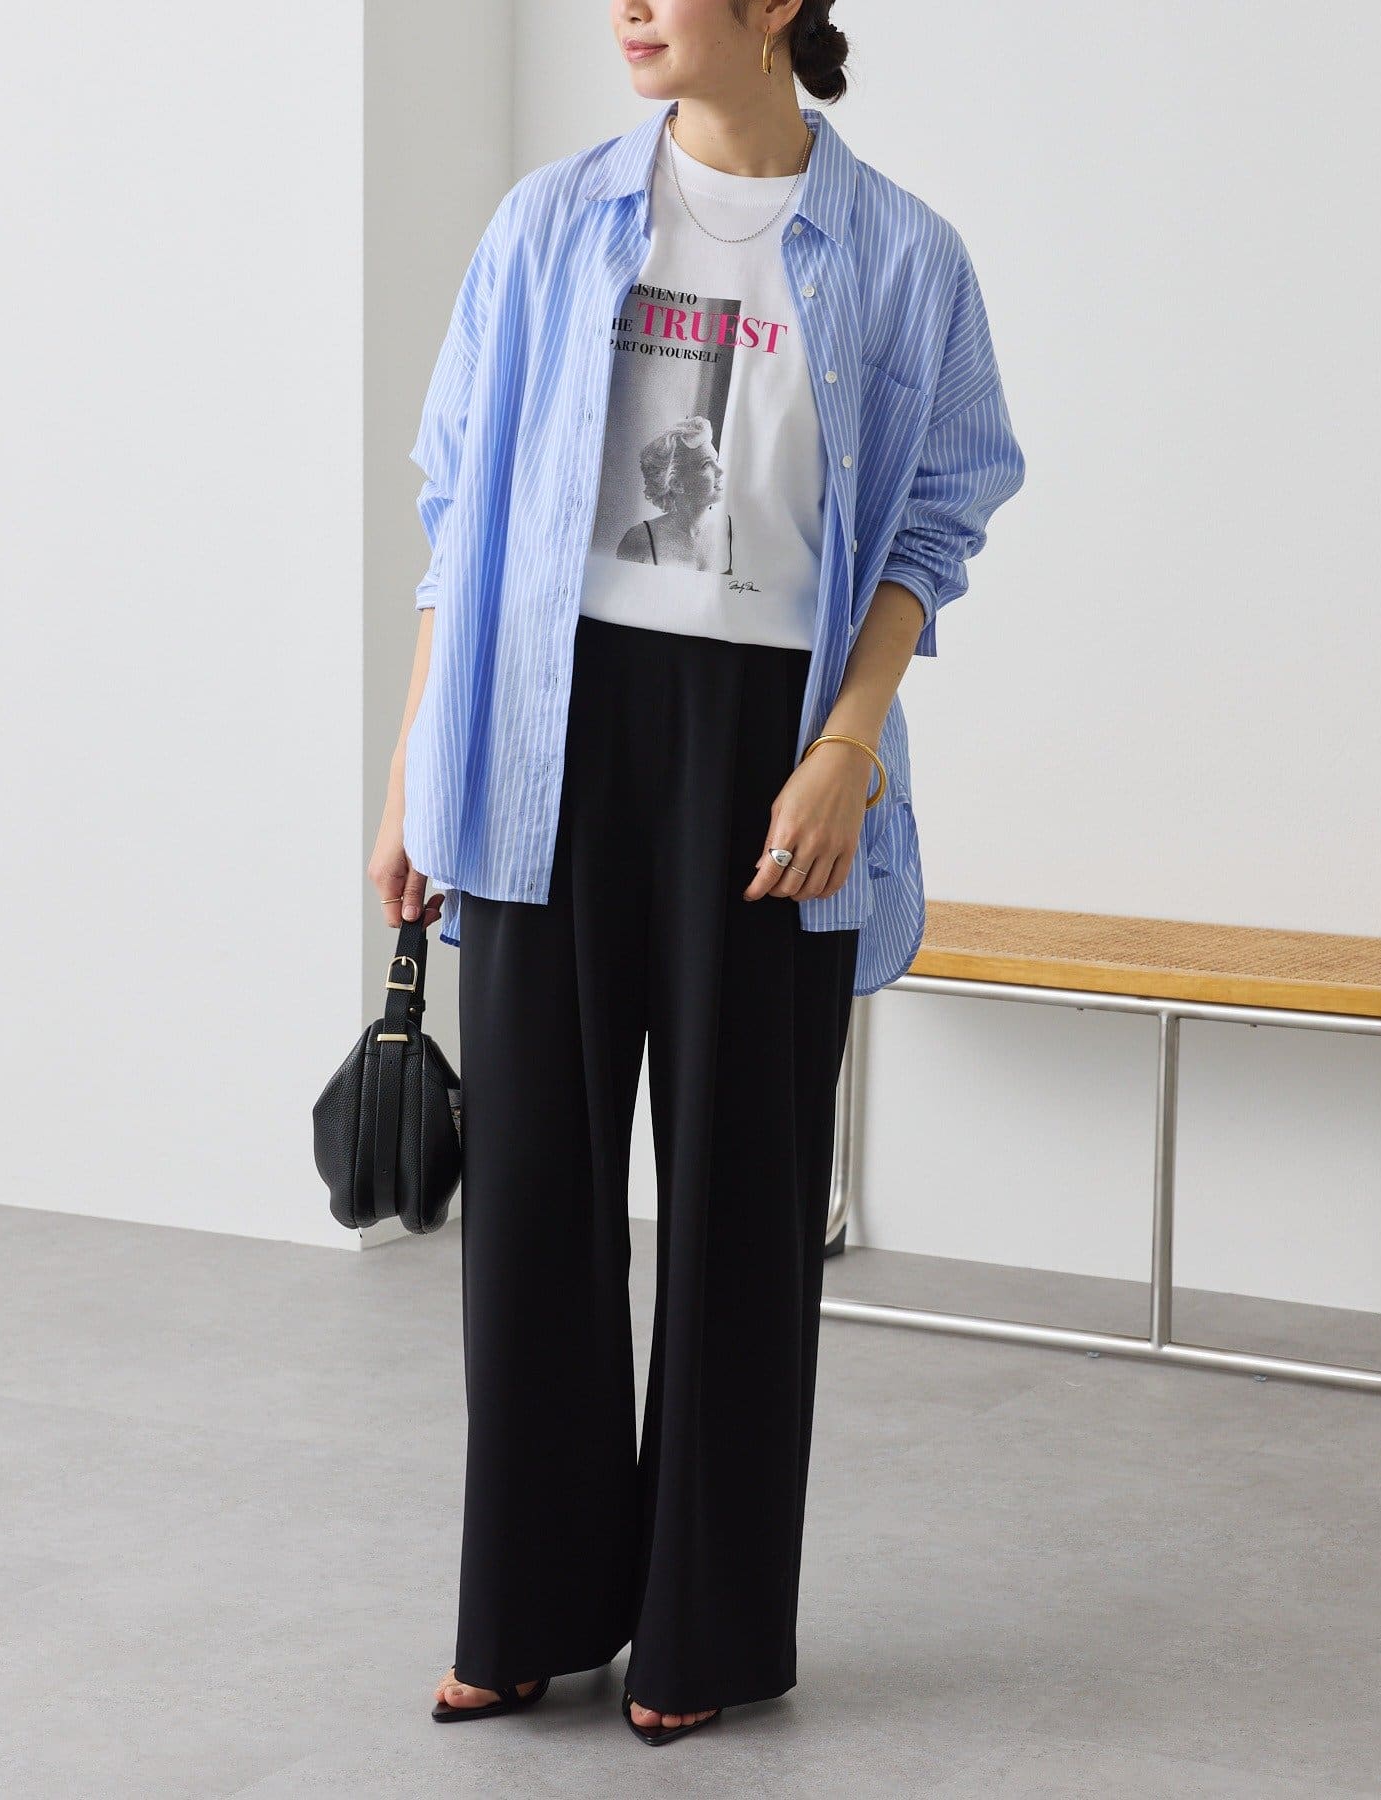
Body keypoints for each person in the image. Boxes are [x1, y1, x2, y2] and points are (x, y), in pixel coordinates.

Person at [368, 0, 1025, 1749]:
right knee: (535, 1196)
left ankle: (702, 1634)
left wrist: (848, 749)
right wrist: (415, 770)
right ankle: (526, 1613)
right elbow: (459, 510)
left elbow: (936, 524)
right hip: (543, 728)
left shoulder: (903, 258)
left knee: (744, 1202)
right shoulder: (549, 222)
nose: (632, 8)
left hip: (771, 746)